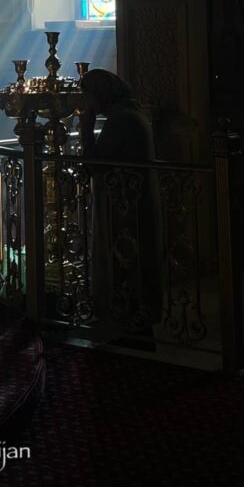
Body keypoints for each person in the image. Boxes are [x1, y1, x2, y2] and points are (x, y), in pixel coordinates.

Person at [78, 68, 163, 337]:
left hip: (125, 205)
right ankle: (130, 313)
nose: (88, 104)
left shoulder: (121, 120)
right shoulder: (129, 114)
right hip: (130, 200)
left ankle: (125, 315)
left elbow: (94, 165)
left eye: (89, 96)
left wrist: (86, 130)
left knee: (124, 256)